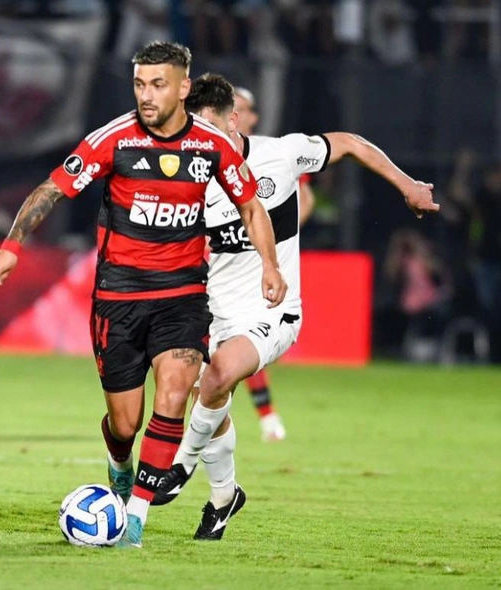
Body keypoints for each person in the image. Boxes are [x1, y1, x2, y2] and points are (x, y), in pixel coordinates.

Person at [0, 42, 285, 548]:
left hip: (183, 296)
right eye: (140, 84)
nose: (146, 95)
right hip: (118, 300)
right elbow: (51, 188)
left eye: (158, 84)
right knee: (125, 424)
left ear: (184, 87)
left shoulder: (213, 144)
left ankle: (135, 520)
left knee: (173, 395)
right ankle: (120, 469)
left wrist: (269, 266)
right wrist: (12, 246)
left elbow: (252, 206)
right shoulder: (114, 140)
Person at [152, 73, 438, 540]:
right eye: (196, 130)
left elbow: (348, 143)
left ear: (235, 120)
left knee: (218, 374)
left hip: (273, 311)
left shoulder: (279, 154)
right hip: (214, 311)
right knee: (208, 394)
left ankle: (179, 466)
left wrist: (406, 185)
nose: (205, 139)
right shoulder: (189, 175)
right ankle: (224, 496)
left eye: (214, 127)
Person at [232, 85, 317, 441]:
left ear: (252, 116)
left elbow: (306, 199)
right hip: (220, 262)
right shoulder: (208, 152)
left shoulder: (275, 153)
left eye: (243, 108)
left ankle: (263, 417)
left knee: (246, 340)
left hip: (259, 262)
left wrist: (275, 238)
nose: (236, 114)